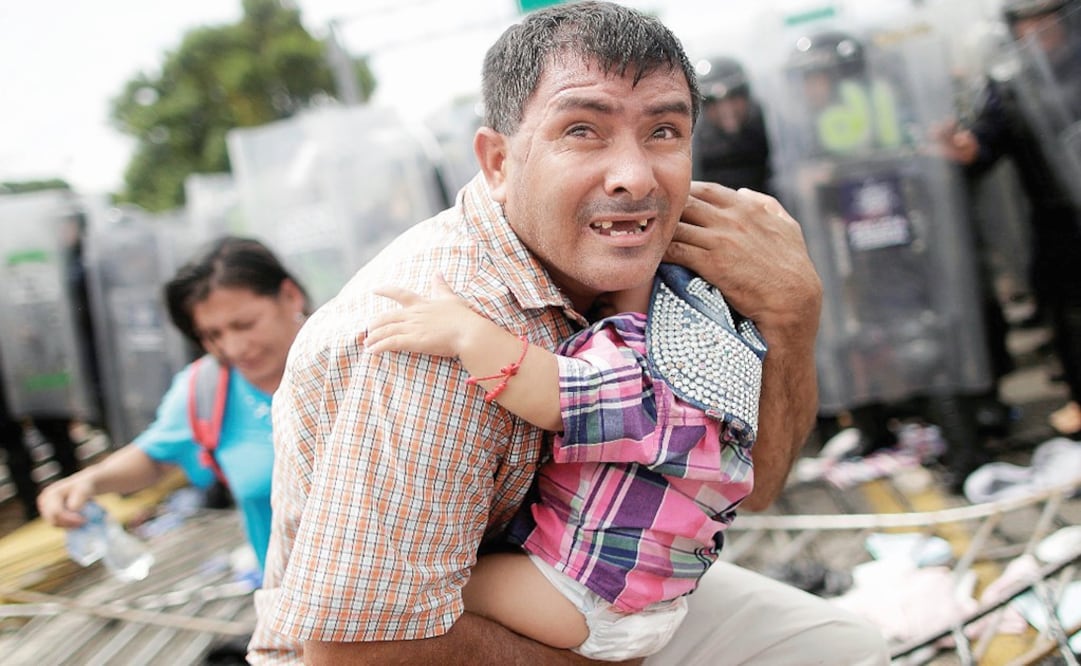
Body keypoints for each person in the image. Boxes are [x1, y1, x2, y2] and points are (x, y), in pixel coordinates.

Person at [250, 3, 889, 664]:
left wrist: (792, 313)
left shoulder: (671, 260)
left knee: (844, 650)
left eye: (663, 131)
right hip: (412, 640)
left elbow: (755, 484)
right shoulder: (435, 336)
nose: (634, 177)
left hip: (599, 579)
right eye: (582, 129)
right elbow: (352, 651)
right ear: (498, 162)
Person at [363, 262, 765, 660]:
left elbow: (555, 393)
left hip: (579, 596)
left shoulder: (656, 381)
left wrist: (463, 331)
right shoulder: (722, 393)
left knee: (424, 599)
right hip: (650, 605)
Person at [37, 235, 310, 574]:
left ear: (290, 295)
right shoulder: (205, 391)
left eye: (245, 324)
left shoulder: (361, 361)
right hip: (299, 603)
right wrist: (89, 482)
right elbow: (154, 457)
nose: (235, 347)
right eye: (212, 335)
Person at [938, 0, 1081, 439]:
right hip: (1057, 216)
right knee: (1065, 309)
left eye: (1049, 18)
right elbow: (984, 142)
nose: (1039, 30)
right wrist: (961, 146)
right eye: (1028, 21)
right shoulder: (1014, 84)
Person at [692, 56, 774, 195]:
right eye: (713, 102)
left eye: (734, 96)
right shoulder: (695, 146)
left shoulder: (767, 130)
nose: (726, 109)